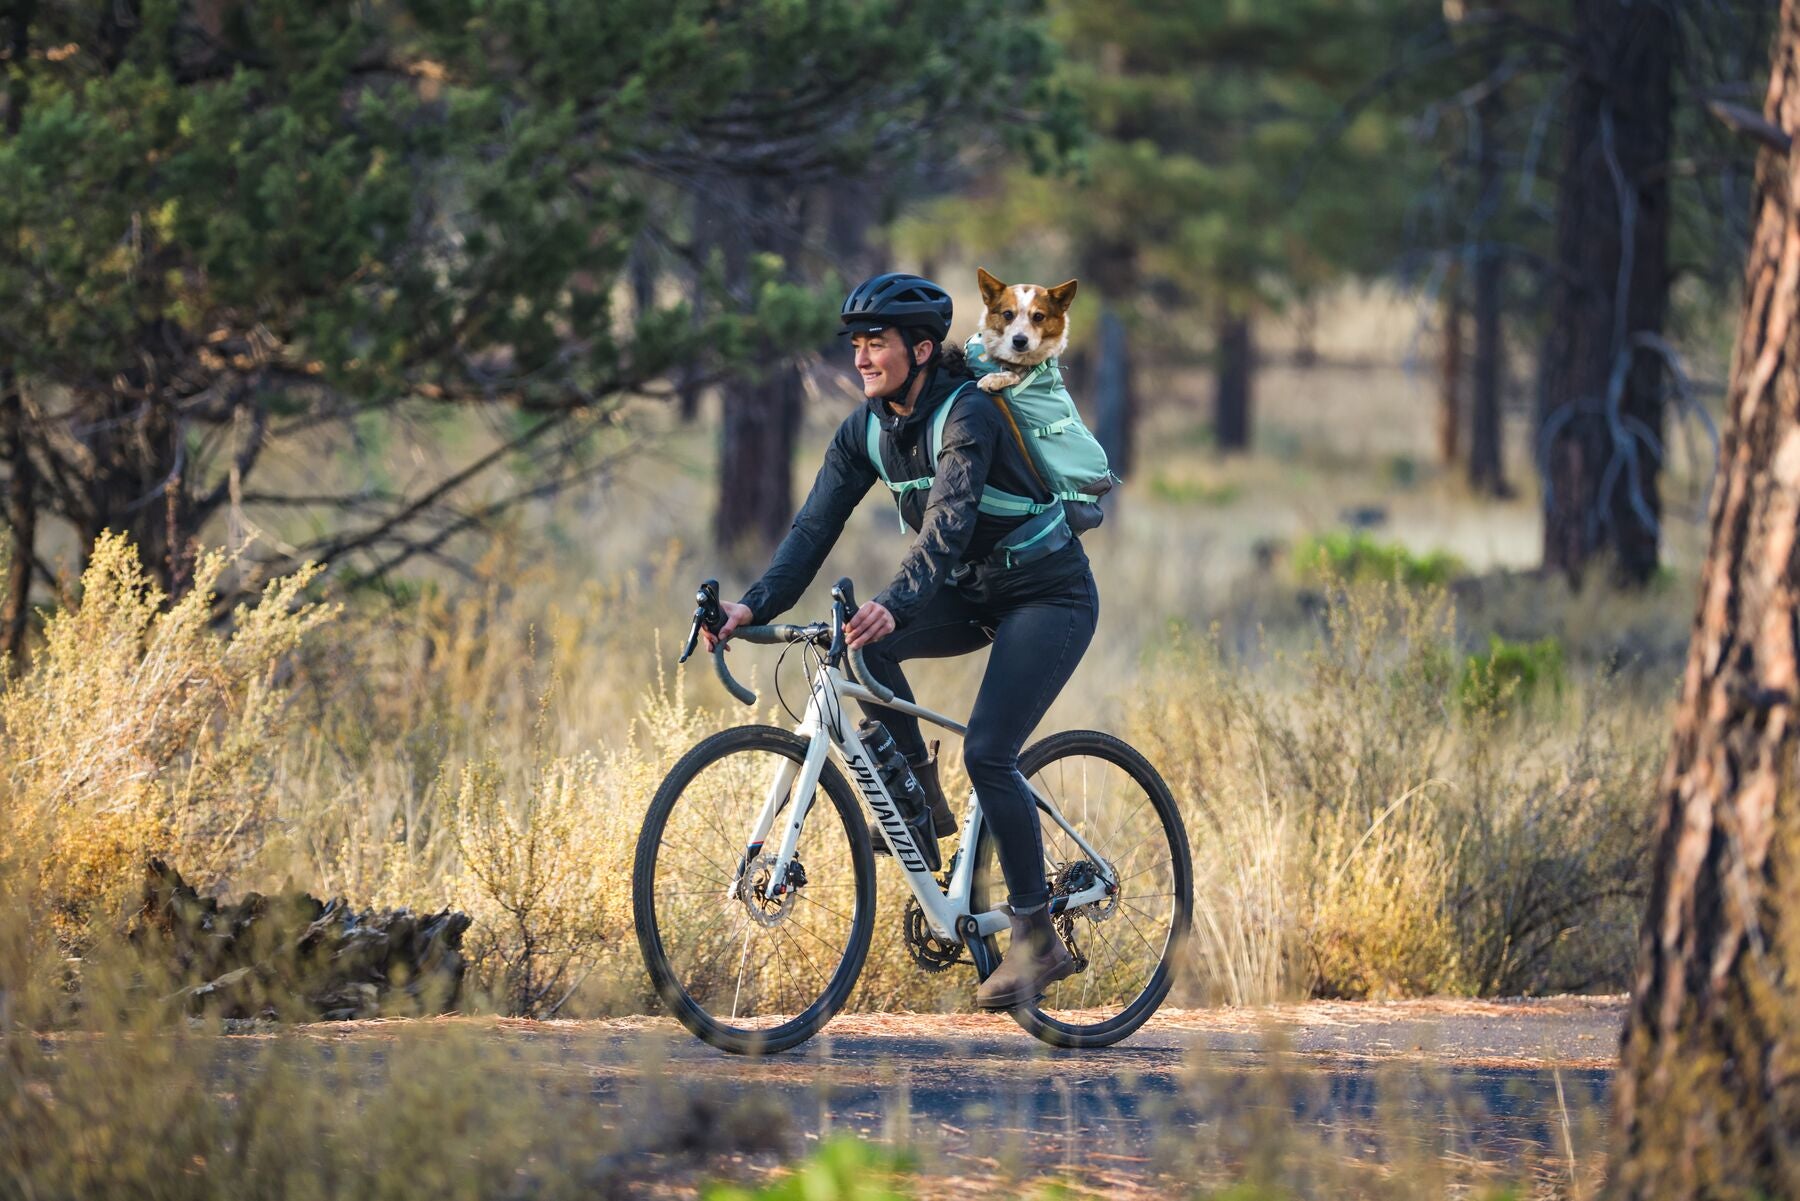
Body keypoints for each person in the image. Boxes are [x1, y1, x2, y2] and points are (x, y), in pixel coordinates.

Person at [700, 272, 1100, 1009]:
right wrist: (749, 607)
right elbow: (813, 528)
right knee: (862, 643)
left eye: (876, 343)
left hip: (1048, 592)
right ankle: (923, 804)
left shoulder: (968, 411)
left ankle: (1036, 936)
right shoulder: (866, 430)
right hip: (972, 589)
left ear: (919, 350)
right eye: (855, 343)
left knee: (989, 751)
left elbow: (946, 526)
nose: (860, 357)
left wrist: (895, 601)